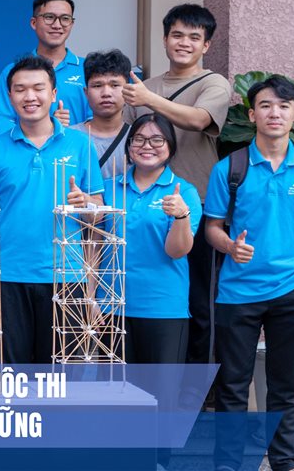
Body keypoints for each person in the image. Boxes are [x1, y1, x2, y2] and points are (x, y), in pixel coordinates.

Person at [205, 76, 294, 471]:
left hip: (292, 292)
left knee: (285, 385)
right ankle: (228, 464)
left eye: (283, 106)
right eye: (265, 105)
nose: (274, 113)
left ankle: (284, 462)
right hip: (237, 294)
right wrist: (230, 246)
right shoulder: (230, 169)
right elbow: (212, 228)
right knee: (232, 386)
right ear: (252, 115)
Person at [0, 55, 103, 364]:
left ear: (54, 94)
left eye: (38, 88)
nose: (29, 96)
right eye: (20, 89)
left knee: (61, 377)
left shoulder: (80, 144)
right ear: (9, 96)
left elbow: (98, 219)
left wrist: (86, 204)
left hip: (67, 276)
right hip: (6, 277)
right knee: (8, 374)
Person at [123, 3, 230, 368]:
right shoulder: (145, 88)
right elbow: (130, 142)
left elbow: (199, 120)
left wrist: (148, 99)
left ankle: (196, 389)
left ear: (206, 45)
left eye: (194, 37)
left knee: (199, 303)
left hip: (196, 205)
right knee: (150, 299)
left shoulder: (213, 83)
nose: (184, 43)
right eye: (177, 35)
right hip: (145, 208)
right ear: (165, 39)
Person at [99, 114, 202, 471]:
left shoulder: (184, 192)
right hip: (112, 306)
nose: (147, 146)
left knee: (161, 396)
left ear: (170, 147)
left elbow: (177, 251)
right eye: (139, 139)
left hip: (163, 308)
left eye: (157, 140)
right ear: (128, 147)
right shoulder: (108, 188)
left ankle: (157, 462)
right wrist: (93, 297)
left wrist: (180, 217)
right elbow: (93, 245)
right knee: (116, 392)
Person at [0, 0, 90, 127]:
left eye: (65, 18)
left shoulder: (88, 69)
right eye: (49, 17)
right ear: (34, 23)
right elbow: (4, 125)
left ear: (72, 23)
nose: (57, 25)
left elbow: (98, 125)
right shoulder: (12, 71)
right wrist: (46, 127)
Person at [72, 49, 132, 180]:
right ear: (86, 93)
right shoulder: (69, 137)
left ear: (127, 90)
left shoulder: (138, 139)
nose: (106, 93)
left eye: (114, 85)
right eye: (97, 85)